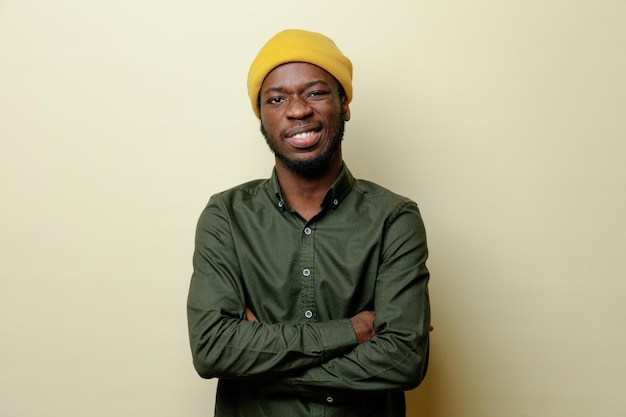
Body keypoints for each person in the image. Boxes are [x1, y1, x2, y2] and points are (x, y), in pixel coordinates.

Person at [187, 29, 431, 417]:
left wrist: (257, 365)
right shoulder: (227, 216)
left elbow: (403, 358)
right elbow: (213, 348)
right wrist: (350, 332)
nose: (298, 110)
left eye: (315, 92)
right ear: (262, 117)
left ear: (344, 104)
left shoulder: (394, 218)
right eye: (277, 98)